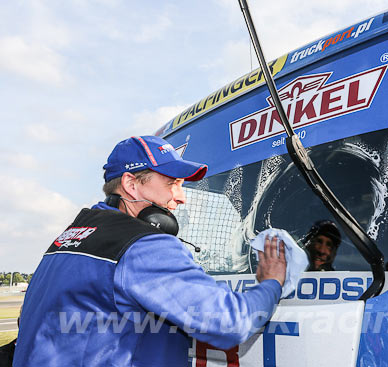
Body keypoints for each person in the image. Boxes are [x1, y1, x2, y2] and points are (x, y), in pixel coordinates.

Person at [13, 136, 287, 366]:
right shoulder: (143, 244)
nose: (181, 197)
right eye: (172, 184)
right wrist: (271, 282)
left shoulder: (70, 237)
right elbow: (231, 323)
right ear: (132, 184)